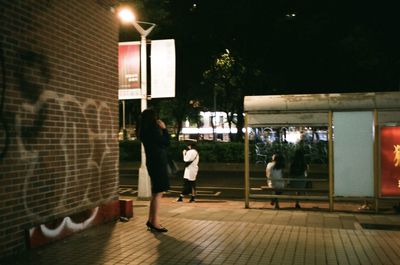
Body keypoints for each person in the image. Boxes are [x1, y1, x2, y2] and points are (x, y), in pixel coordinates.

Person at [137, 108, 170, 232]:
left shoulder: (144, 131)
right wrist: (164, 129)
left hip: (152, 162)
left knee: (156, 192)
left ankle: (151, 220)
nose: (158, 119)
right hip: (158, 163)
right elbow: (166, 142)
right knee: (158, 193)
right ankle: (155, 222)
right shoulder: (153, 130)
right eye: (156, 117)